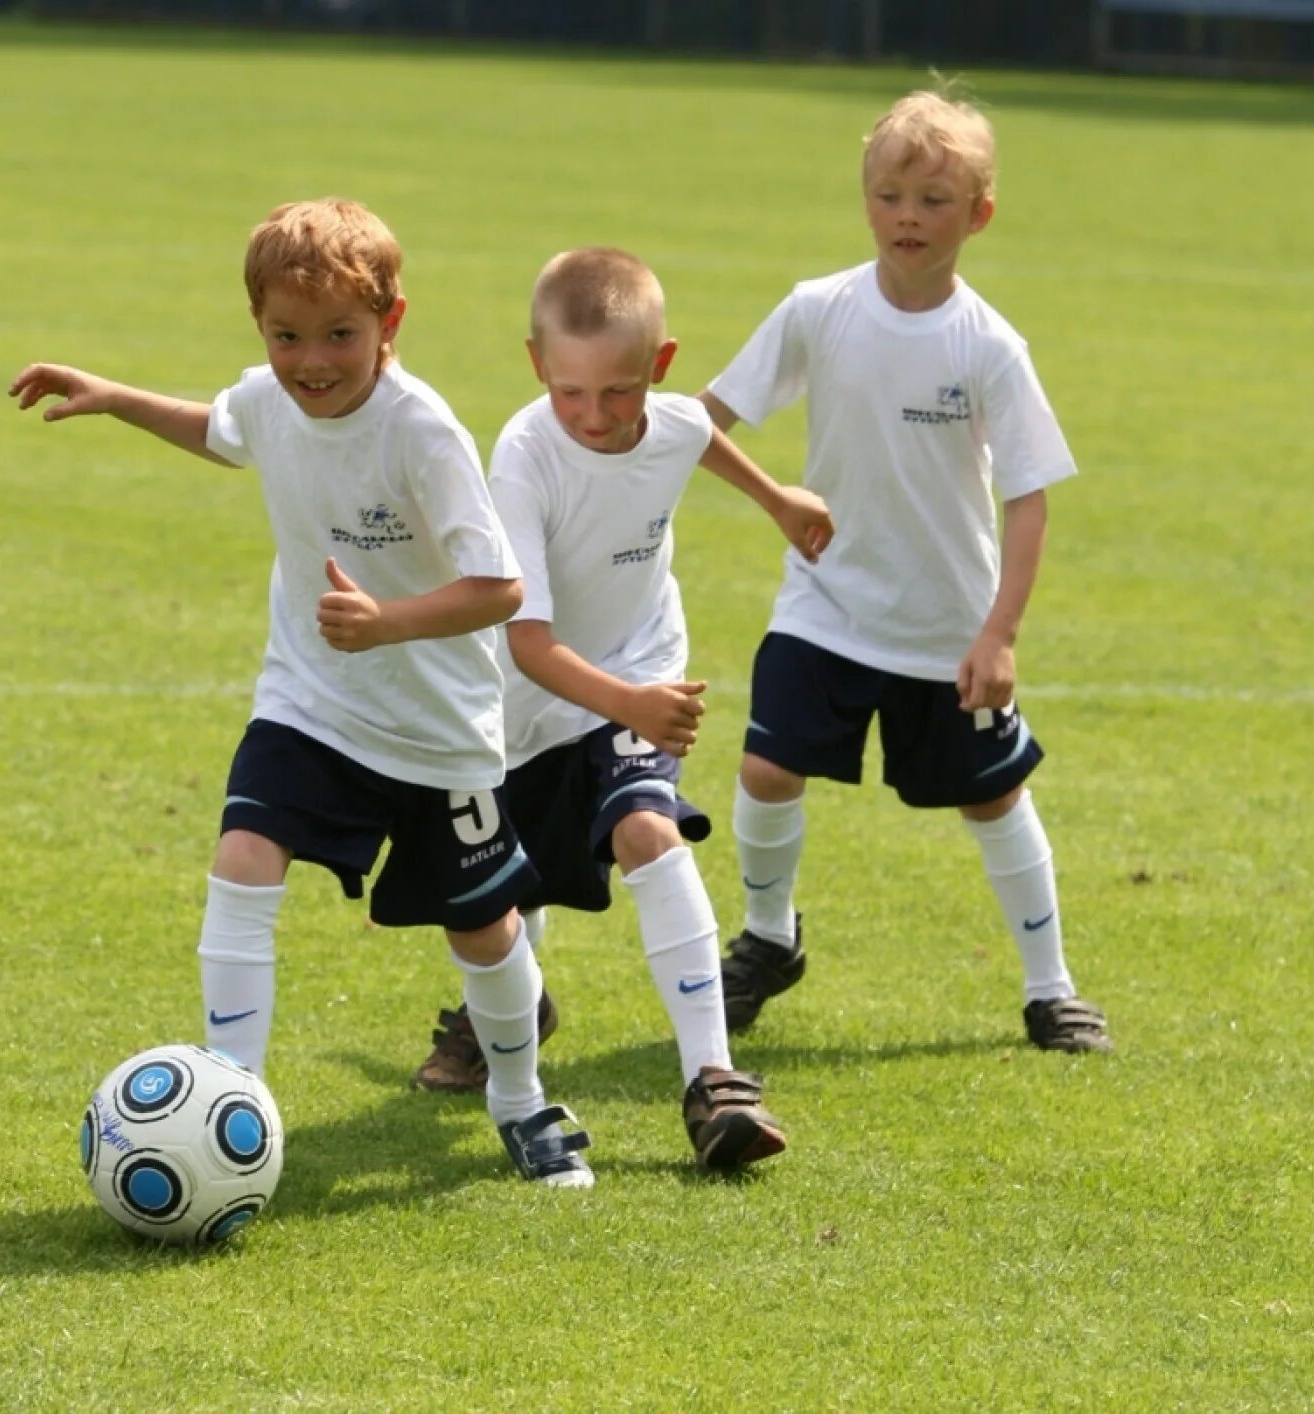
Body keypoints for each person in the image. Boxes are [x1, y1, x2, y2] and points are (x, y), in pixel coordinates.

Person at [10, 198, 595, 1187]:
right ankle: (228, 1093)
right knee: (244, 853)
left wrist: (386, 622)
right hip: (311, 702)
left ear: (391, 325)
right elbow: (224, 428)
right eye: (286, 336)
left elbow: (499, 587)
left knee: (482, 928)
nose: (311, 361)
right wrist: (115, 395)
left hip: (435, 728)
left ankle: (521, 1099)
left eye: (339, 336)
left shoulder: (422, 432)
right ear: (260, 326)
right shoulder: (271, 396)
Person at [700, 91, 1112, 1053]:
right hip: (826, 605)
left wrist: (998, 634)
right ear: (865, 201)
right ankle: (768, 941)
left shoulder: (991, 348)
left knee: (992, 796)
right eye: (889, 195)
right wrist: (774, 498)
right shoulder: (818, 309)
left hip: (945, 627)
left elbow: (1029, 497)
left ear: (979, 214)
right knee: (766, 766)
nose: (907, 218)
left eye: (933, 199)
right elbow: (703, 420)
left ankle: (1051, 989)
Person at [412, 247, 835, 1170]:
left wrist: (777, 499)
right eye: (572, 391)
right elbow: (527, 642)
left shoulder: (669, 418)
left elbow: (693, 434)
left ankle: (714, 1081)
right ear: (536, 364)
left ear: (662, 364)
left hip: (636, 672)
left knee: (648, 831)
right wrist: (629, 701)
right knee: (500, 903)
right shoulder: (523, 456)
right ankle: (510, 1017)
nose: (596, 416)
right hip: (527, 701)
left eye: (620, 391)